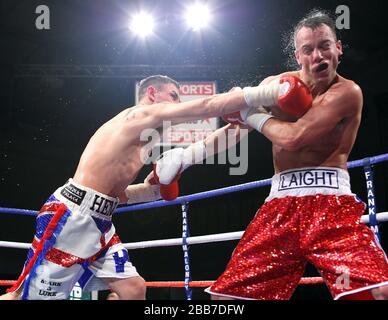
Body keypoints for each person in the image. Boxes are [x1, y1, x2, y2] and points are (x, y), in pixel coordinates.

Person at [157, 11, 388, 300]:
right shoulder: (275, 86)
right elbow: (235, 131)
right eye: (308, 49)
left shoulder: (347, 92)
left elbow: (294, 138)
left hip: (330, 204)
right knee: (228, 299)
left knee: (377, 292)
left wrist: (250, 112)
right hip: (279, 207)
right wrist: (188, 156)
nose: (318, 55)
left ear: (338, 48)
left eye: (325, 45)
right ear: (298, 55)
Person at [1, 73, 293, 300]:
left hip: (100, 224)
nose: (178, 104)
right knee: (24, 296)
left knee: (134, 290)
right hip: (70, 218)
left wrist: (247, 121)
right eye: (174, 96)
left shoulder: (143, 139)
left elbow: (122, 194)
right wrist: (259, 94)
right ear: (152, 93)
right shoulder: (138, 116)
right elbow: (205, 105)